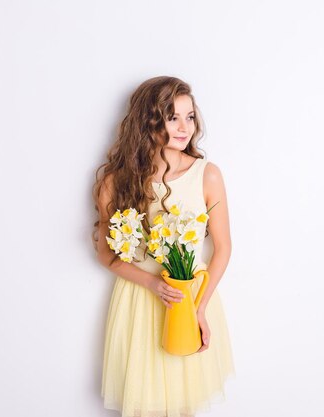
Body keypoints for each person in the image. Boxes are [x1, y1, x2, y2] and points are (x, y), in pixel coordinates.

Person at [92, 76, 235, 417]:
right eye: (173, 117)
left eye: (189, 116)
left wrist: (198, 308)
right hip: (141, 301)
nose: (185, 126)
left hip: (189, 299)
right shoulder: (117, 181)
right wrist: (152, 284)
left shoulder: (207, 174)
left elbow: (223, 249)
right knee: (147, 405)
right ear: (149, 121)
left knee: (184, 404)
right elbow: (106, 255)